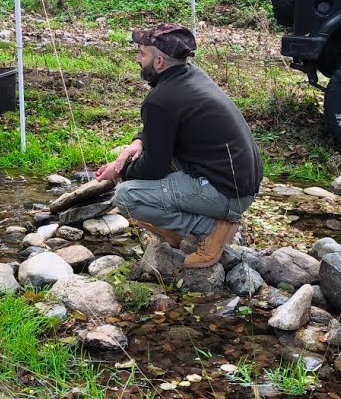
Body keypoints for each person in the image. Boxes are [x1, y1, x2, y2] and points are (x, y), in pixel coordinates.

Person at [96, 23, 262, 269]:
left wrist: (120, 172)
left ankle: (211, 230)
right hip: (240, 182)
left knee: (127, 196)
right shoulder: (190, 75)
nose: (137, 59)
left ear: (160, 62)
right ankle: (177, 231)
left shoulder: (161, 100)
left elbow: (154, 168)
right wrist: (138, 142)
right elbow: (164, 128)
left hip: (228, 194)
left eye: (142, 53)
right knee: (144, 176)